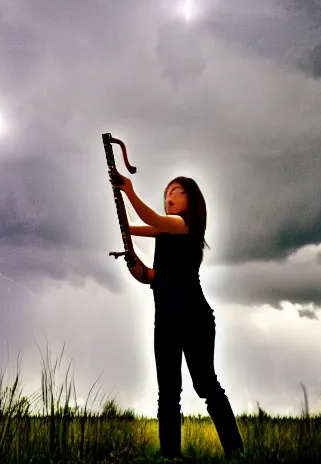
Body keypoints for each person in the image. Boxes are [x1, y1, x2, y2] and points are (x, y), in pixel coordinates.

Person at [109, 170, 245, 461]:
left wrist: (128, 191)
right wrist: (133, 261)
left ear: (191, 199)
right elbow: (150, 276)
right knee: (168, 391)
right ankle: (170, 457)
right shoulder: (164, 232)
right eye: (167, 193)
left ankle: (236, 453)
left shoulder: (185, 226)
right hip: (166, 320)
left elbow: (151, 221)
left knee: (206, 385)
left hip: (195, 317)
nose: (169, 197)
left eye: (176, 192)